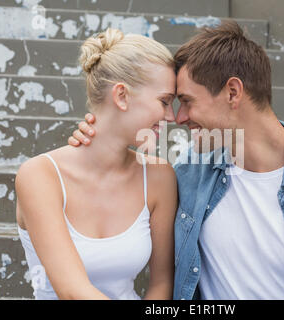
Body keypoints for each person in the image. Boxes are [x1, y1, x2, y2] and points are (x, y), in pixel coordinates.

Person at [68, 22, 284, 300]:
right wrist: (95, 138)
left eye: (186, 101)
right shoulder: (188, 173)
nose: (178, 118)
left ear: (232, 92)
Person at [15, 28, 177, 300]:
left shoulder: (160, 176)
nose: (171, 116)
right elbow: (72, 291)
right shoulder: (40, 176)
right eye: (164, 101)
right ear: (122, 96)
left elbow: (161, 285)